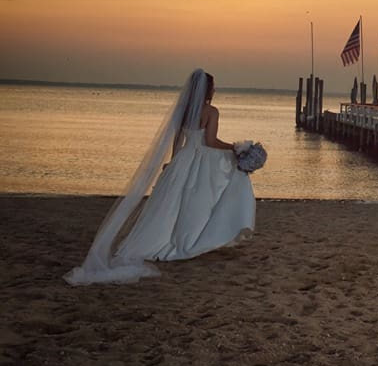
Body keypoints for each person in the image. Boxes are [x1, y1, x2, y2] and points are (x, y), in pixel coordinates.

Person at [65, 69, 256, 285]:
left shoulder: (184, 110)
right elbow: (210, 142)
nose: (214, 89)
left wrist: (173, 162)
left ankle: (154, 241)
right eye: (213, 86)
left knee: (170, 205)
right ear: (208, 89)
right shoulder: (211, 111)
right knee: (198, 204)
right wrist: (235, 148)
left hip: (183, 159)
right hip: (200, 159)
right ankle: (191, 241)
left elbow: (177, 140)